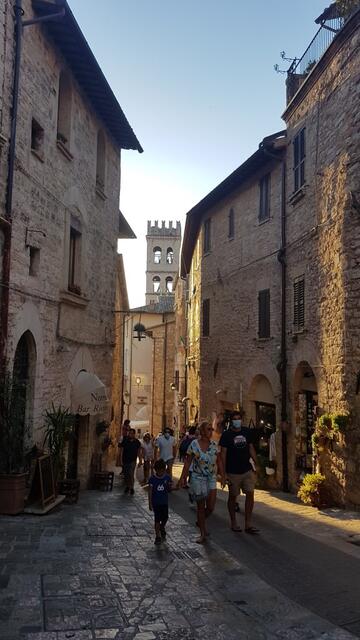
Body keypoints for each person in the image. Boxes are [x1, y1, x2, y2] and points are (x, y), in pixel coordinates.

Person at [178, 420, 218, 544]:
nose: (211, 431)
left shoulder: (214, 445)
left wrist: (223, 474)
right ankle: (202, 533)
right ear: (201, 431)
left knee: (210, 507)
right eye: (208, 429)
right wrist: (182, 478)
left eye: (211, 429)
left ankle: (201, 522)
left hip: (211, 477)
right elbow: (188, 462)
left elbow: (219, 460)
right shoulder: (194, 444)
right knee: (201, 507)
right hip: (197, 478)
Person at [219, 411, 259, 534]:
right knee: (233, 497)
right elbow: (223, 454)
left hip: (247, 469)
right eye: (235, 419)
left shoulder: (247, 432)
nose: (237, 421)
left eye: (239, 418)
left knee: (250, 494)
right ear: (231, 421)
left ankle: (248, 523)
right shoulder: (226, 435)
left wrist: (256, 464)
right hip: (233, 472)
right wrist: (224, 474)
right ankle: (233, 522)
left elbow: (251, 448)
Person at [148, 458, 172, 545]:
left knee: (165, 517)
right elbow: (150, 491)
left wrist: (172, 487)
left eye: (162, 471)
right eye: (159, 471)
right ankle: (157, 536)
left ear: (164, 470)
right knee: (157, 519)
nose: (161, 473)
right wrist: (150, 503)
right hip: (156, 503)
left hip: (164, 502)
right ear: (156, 470)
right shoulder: (152, 479)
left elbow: (169, 489)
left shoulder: (167, 478)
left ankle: (162, 527)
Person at [118, 428, 141, 495]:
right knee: (126, 474)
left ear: (134, 434)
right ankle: (128, 486)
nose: (130, 434)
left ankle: (132, 488)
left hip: (133, 461)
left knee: (131, 474)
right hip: (125, 460)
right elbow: (121, 451)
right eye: (129, 433)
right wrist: (120, 460)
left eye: (132, 433)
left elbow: (139, 452)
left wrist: (140, 461)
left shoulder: (137, 442)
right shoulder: (125, 441)